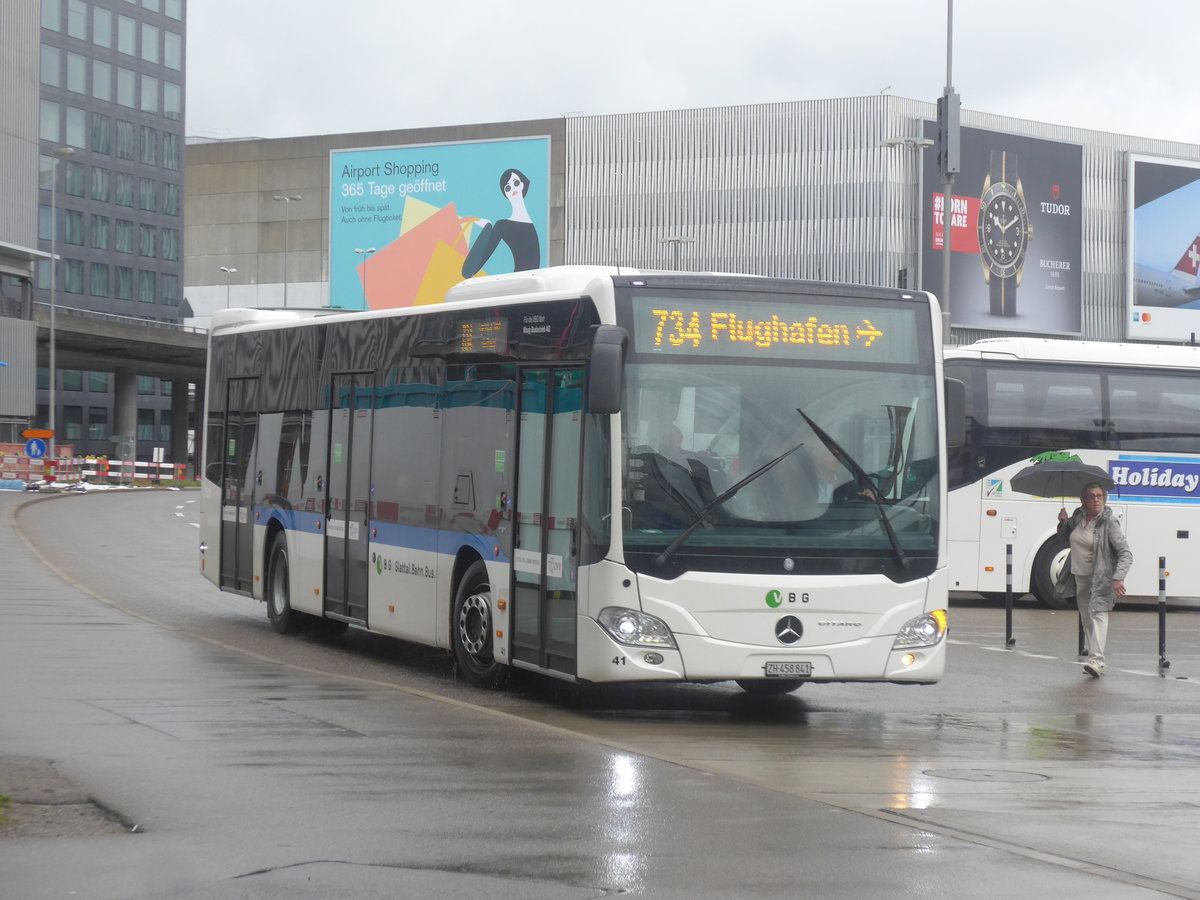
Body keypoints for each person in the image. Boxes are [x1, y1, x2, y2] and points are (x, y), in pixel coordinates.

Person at [1056, 482, 1133, 677]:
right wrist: (1063, 523)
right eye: (1092, 496)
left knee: (1098, 615)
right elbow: (1065, 540)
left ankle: (1097, 661)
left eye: (1099, 496)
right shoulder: (1078, 517)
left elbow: (1126, 553)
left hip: (1101, 577)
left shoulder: (1109, 522)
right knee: (1087, 619)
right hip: (1079, 576)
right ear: (1084, 499)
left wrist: (1118, 578)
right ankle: (1094, 658)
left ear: (1104, 499)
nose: (1096, 499)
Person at [461, 168, 541, 277]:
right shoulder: (503, 226)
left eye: (516, 183)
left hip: (529, 285)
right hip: (519, 285)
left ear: (522, 184)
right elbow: (468, 271)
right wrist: (487, 229)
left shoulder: (520, 225)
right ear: (506, 194)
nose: (513, 189)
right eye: (508, 188)